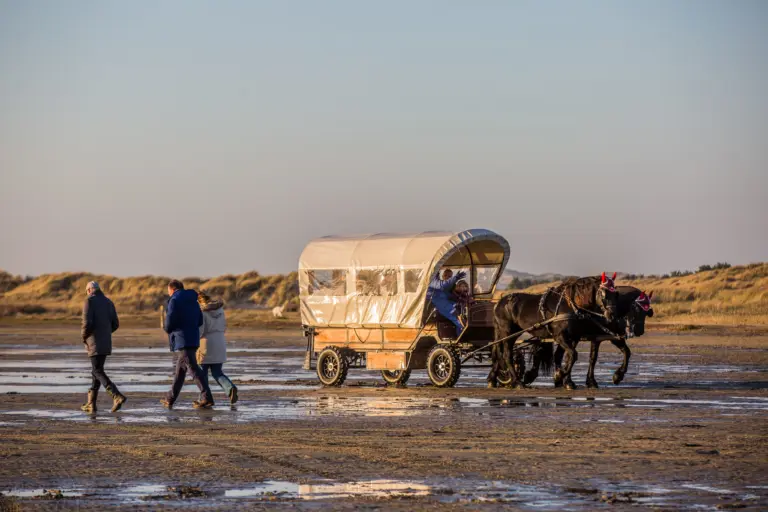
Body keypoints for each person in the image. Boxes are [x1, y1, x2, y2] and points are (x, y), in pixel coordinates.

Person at [161, 280, 214, 409]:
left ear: (172, 289)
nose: (168, 293)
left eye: (168, 291)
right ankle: (170, 399)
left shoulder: (174, 300)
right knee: (180, 371)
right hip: (193, 337)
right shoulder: (193, 301)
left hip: (182, 338)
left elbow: (169, 321)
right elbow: (200, 320)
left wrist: (168, 329)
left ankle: (207, 397)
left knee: (192, 368)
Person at [80, 281, 126, 413]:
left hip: (93, 340)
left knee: (97, 371)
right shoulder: (108, 302)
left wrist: (84, 337)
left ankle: (116, 395)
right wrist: (105, 333)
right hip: (105, 341)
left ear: (89, 290)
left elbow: (86, 323)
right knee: (97, 370)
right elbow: (115, 324)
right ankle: (91, 404)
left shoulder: (89, 301)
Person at [197, 292, 238, 405]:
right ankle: (230, 388)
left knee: (202, 373)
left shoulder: (201, 312)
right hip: (220, 341)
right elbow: (224, 327)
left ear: (199, 302)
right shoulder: (220, 311)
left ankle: (204, 398)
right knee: (217, 372)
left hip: (205, 343)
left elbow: (200, 331)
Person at [426, 268, 467, 338]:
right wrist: (456, 278)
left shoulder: (446, 284)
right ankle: (463, 334)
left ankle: (462, 333)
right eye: (445, 275)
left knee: (461, 311)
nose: (447, 278)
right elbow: (442, 286)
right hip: (437, 305)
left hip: (445, 303)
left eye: (449, 277)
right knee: (456, 317)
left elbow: (447, 294)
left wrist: (460, 299)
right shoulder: (432, 280)